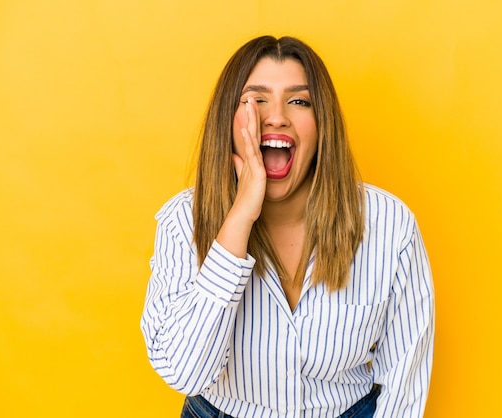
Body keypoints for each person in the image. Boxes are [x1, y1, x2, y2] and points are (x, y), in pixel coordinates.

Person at [141, 35, 434, 417]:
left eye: (298, 101)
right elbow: (184, 372)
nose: (276, 116)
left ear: (322, 123)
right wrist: (240, 218)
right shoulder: (184, 221)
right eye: (255, 100)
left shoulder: (390, 226)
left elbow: (404, 382)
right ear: (227, 119)